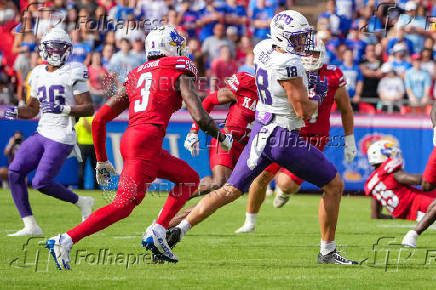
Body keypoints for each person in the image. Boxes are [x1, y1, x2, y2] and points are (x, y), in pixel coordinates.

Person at [168, 10, 358, 265]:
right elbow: (303, 112)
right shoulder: (289, 64)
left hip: (261, 130)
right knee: (334, 185)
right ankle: (327, 252)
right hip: (283, 137)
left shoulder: (263, 48)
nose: (303, 43)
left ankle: (178, 229)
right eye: (297, 37)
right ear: (284, 37)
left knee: (229, 191)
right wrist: (319, 97)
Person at [45, 26, 233, 269]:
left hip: (136, 140)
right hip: (146, 142)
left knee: (188, 177)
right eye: (177, 45)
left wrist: (102, 161)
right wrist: (222, 137)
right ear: (169, 46)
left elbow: (100, 118)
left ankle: (158, 229)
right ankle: (66, 239)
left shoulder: (136, 74)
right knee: (123, 205)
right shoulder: (179, 68)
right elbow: (199, 115)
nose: (181, 50)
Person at [235, 37, 356, 233]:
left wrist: (349, 139)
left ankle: (283, 191)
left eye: (315, 53)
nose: (310, 57)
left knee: (287, 184)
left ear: (322, 55)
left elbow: (345, 108)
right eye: (307, 52)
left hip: (313, 137)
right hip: (284, 130)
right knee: (262, 175)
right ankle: (250, 221)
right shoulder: (290, 68)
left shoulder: (333, 75)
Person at [4, 28, 95, 237]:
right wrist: (17, 111)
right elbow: (33, 108)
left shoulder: (74, 70)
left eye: (59, 47)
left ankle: (81, 201)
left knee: (40, 182)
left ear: (67, 49)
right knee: (15, 171)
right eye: (52, 46)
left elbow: (88, 107)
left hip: (62, 135)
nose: (55, 51)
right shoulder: (36, 73)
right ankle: (30, 225)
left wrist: (64, 108)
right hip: (42, 131)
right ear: (44, 49)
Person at [364, 140, 436, 248]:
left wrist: (395, 217)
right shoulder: (392, 173)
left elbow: (375, 215)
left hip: (415, 214)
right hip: (423, 203)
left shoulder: (373, 182)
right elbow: (421, 180)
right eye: (392, 154)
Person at [75, 116, 97, 190]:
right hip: (93, 146)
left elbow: (74, 133)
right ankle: (96, 187)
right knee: (95, 168)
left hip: (82, 146)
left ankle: (81, 187)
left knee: (81, 167)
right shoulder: (94, 119)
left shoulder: (80, 120)